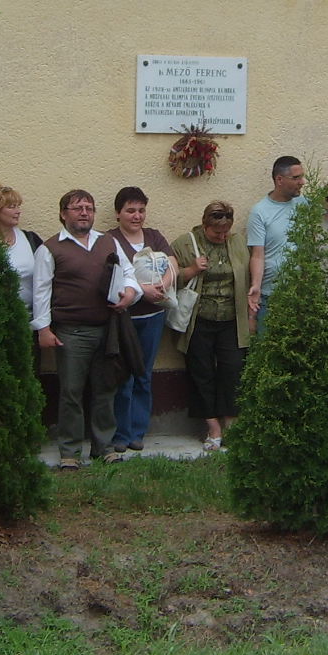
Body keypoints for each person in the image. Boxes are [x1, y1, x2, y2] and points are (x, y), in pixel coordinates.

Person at [32, 189, 141, 469]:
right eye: (77, 208)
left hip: (107, 329)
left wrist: (130, 293)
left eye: (89, 208)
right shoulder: (50, 249)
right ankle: (69, 452)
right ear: (63, 214)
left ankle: (103, 447)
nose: (84, 213)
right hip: (71, 333)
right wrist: (43, 329)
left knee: (105, 390)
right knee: (71, 393)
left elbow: (129, 273)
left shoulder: (109, 242)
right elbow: (41, 291)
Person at [170, 201, 250, 450]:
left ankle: (231, 424)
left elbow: (246, 276)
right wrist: (192, 269)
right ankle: (212, 427)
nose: (222, 236)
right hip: (199, 320)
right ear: (205, 225)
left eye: (226, 231)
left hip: (231, 319)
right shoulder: (185, 244)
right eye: (217, 232)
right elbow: (170, 279)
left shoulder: (237, 243)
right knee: (201, 372)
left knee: (233, 370)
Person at [107, 186, 177, 451]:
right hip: (124, 319)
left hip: (153, 316)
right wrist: (142, 290)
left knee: (143, 374)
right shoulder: (110, 240)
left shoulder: (154, 236)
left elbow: (173, 263)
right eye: (130, 211)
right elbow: (111, 274)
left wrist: (164, 284)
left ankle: (138, 432)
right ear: (118, 213)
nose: (137, 216)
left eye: (141, 210)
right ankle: (121, 434)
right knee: (123, 376)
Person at [246, 155, 305, 332]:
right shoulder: (260, 212)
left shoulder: (303, 204)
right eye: (296, 178)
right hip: (271, 296)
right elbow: (257, 254)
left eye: (302, 176)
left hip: (301, 294)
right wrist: (256, 286)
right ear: (279, 180)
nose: (302, 182)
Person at [0, 183, 44, 326]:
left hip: (34, 322)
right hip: (0, 324)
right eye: (12, 207)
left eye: (18, 206)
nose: (18, 211)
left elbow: (47, 279)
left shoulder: (32, 240)